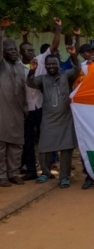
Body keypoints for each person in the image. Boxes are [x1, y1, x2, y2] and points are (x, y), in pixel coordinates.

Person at [26, 46, 80, 187]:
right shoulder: (42, 79)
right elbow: (30, 83)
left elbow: (77, 70)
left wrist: (74, 55)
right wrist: (31, 71)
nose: (51, 66)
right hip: (49, 118)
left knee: (67, 149)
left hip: (65, 118)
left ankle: (64, 177)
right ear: (45, 65)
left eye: (54, 64)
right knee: (44, 147)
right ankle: (45, 173)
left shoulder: (66, 75)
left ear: (59, 65)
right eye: (48, 64)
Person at [18, 18, 63, 179]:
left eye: (32, 50)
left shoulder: (40, 60)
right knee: (27, 141)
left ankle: (50, 165)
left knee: (46, 136)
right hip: (25, 109)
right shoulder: (17, 67)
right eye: (28, 51)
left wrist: (58, 28)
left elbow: (54, 46)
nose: (31, 53)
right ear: (21, 53)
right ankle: (31, 170)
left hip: (41, 106)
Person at [0, 17, 28, 187]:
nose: (13, 52)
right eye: (9, 49)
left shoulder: (19, 67)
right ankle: (2, 176)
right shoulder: (1, 66)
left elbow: (24, 90)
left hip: (18, 112)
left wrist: (25, 106)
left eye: (14, 49)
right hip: (2, 112)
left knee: (16, 146)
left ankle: (14, 173)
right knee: (1, 147)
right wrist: (1, 31)